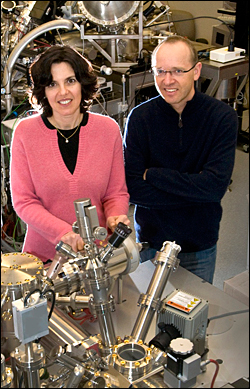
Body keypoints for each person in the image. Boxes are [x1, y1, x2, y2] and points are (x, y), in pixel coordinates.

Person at [123, 35, 238, 284]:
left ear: (196, 71)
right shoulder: (140, 118)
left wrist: (152, 175)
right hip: (151, 243)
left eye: (177, 71)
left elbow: (214, 188)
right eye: (160, 71)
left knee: (191, 319)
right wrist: (193, 191)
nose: (167, 80)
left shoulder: (222, 118)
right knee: (149, 318)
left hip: (199, 245)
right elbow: (132, 188)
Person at [10, 45, 130, 263]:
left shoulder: (108, 130)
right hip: (44, 258)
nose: (63, 92)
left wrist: (114, 217)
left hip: (98, 256)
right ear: (42, 91)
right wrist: (64, 233)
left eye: (70, 81)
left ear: (83, 84)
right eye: (52, 84)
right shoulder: (25, 133)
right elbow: (24, 201)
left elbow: (116, 193)